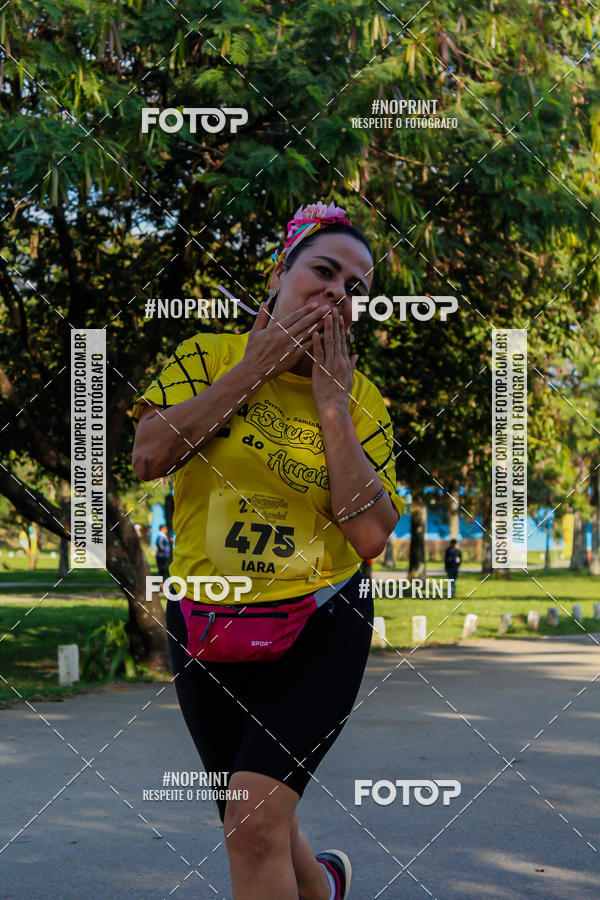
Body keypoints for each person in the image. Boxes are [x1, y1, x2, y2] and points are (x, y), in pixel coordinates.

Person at [131, 200, 404, 900]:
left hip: (320, 619)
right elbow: (152, 454)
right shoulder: (205, 355)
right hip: (206, 620)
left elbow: (371, 534)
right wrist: (256, 368)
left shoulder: (362, 398)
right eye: (323, 270)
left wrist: (333, 408)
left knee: (253, 821)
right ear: (279, 274)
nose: (338, 292)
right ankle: (328, 887)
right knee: (253, 819)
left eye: (357, 288)